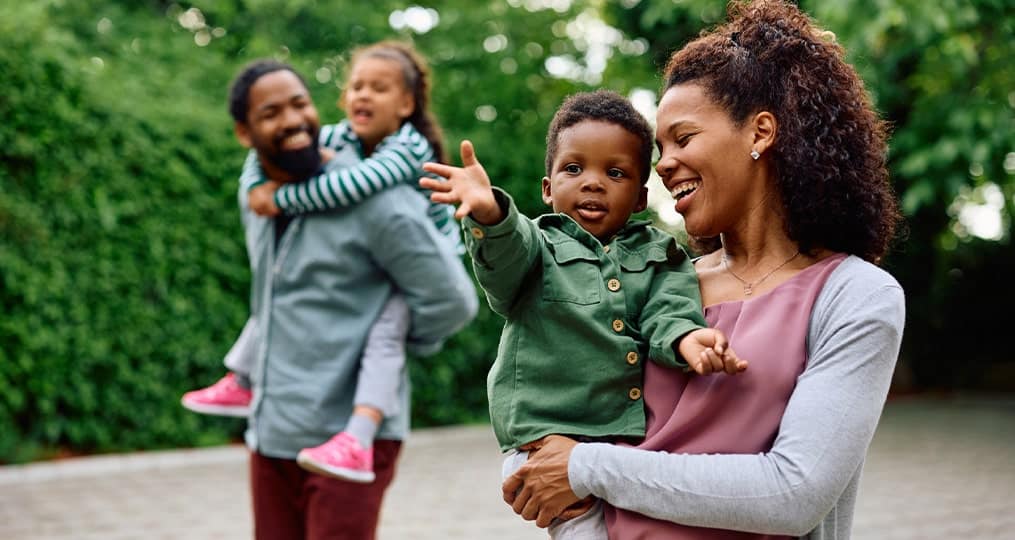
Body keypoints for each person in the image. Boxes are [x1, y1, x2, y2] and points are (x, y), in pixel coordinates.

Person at [502, 1, 906, 538]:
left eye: (683, 138)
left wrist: (586, 467)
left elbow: (793, 492)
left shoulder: (855, 295)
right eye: (659, 148)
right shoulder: (654, 285)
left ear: (760, 133)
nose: (664, 164)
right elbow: (542, 438)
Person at [421, 90, 746, 539]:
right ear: (548, 188)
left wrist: (688, 338)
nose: (593, 182)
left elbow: (668, 311)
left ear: (639, 197)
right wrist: (491, 213)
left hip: (620, 442)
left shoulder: (661, 255)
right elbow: (506, 254)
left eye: (615, 172)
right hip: (544, 442)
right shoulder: (539, 247)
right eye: (574, 169)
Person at [181, 41, 464, 485]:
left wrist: (280, 197)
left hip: (435, 257)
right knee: (279, 288)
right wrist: (254, 181)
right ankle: (243, 377)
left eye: (379, 88)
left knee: (384, 335)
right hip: (277, 429)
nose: (364, 96)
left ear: (407, 104)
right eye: (357, 86)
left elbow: (348, 188)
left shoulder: (407, 149)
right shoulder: (340, 137)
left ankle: (359, 433)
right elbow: (264, 162)